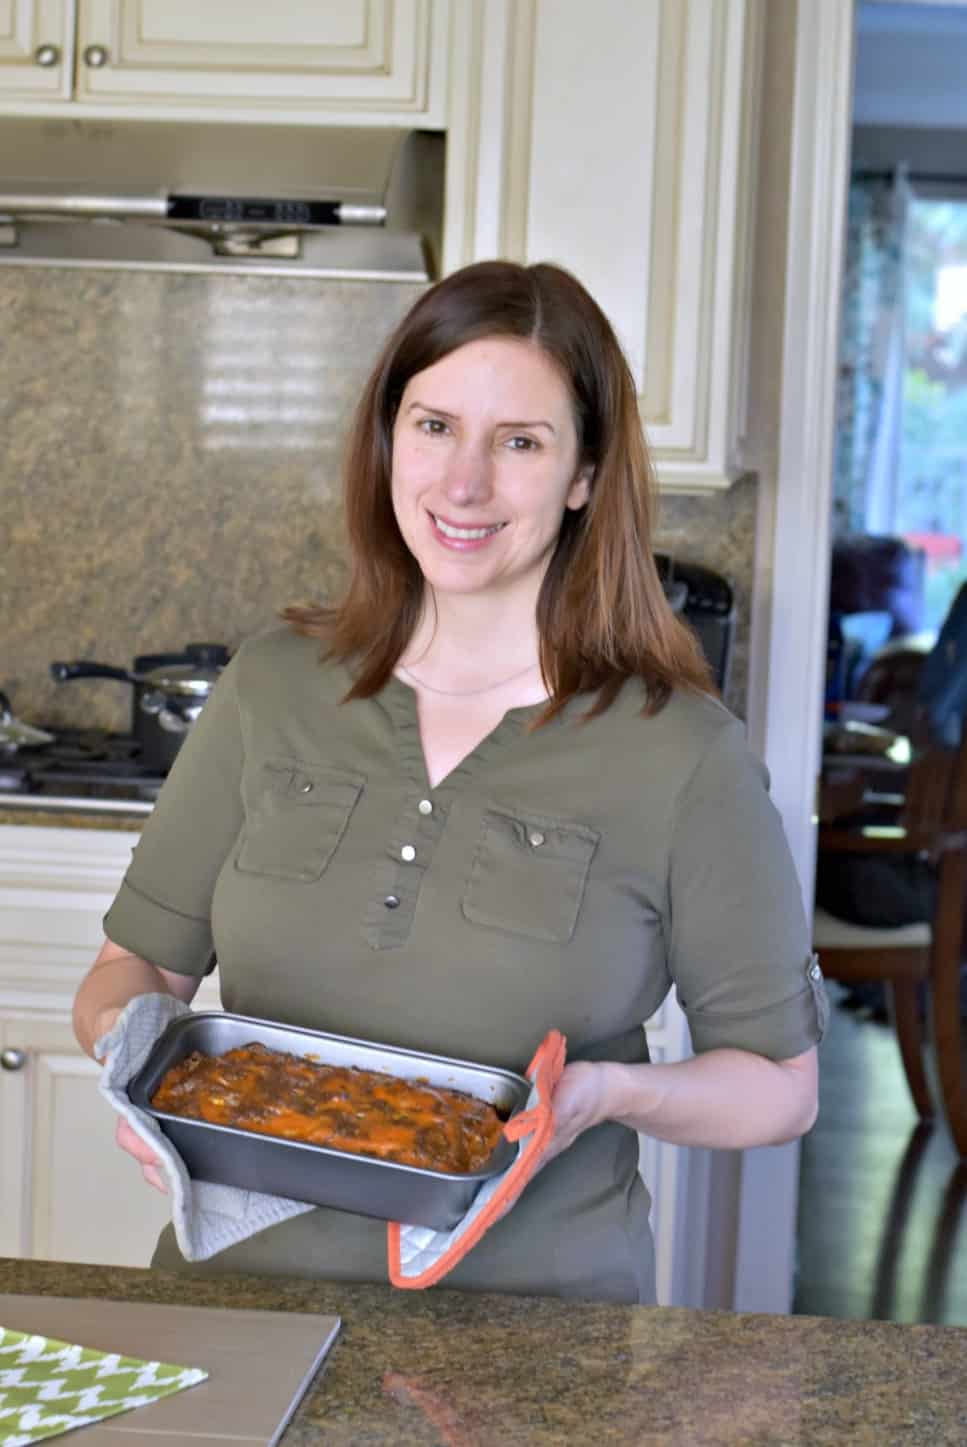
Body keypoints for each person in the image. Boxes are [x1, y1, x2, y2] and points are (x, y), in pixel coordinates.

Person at [73, 260, 826, 1305]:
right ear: (388, 442)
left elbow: (778, 1088)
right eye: (433, 427)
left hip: (534, 1336)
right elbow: (135, 971)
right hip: (234, 1306)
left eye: (519, 442)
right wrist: (139, 1069)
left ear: (582, 476)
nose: (462, 483)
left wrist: (604, 1095)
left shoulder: (683, 755)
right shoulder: (270, 686)